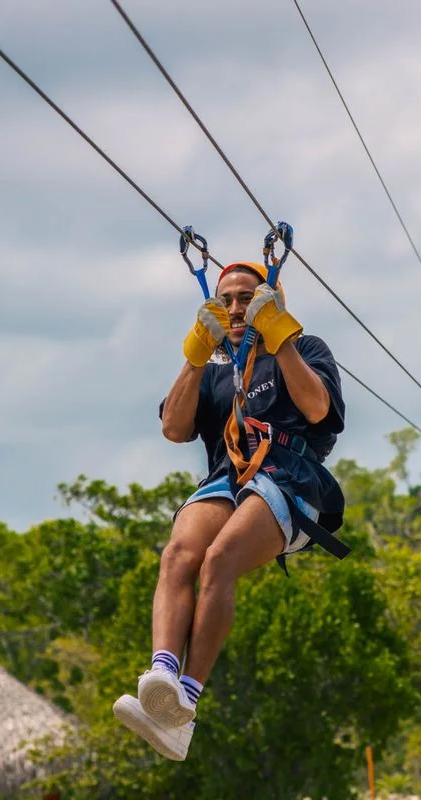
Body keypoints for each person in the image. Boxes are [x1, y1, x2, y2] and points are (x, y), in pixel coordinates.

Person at [112, 261, 348, 761]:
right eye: (228, 300)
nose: (237, 309)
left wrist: (279, 336)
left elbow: (317, 410)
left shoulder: (304, 350)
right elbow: (174, 428)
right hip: (228, 477)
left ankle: (187, 703)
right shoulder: (218, 371)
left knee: (219, 559)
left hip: (289, 478)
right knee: (179, 553)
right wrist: (196, 354)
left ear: (270, 301)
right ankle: (163, 678)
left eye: (248, 298)